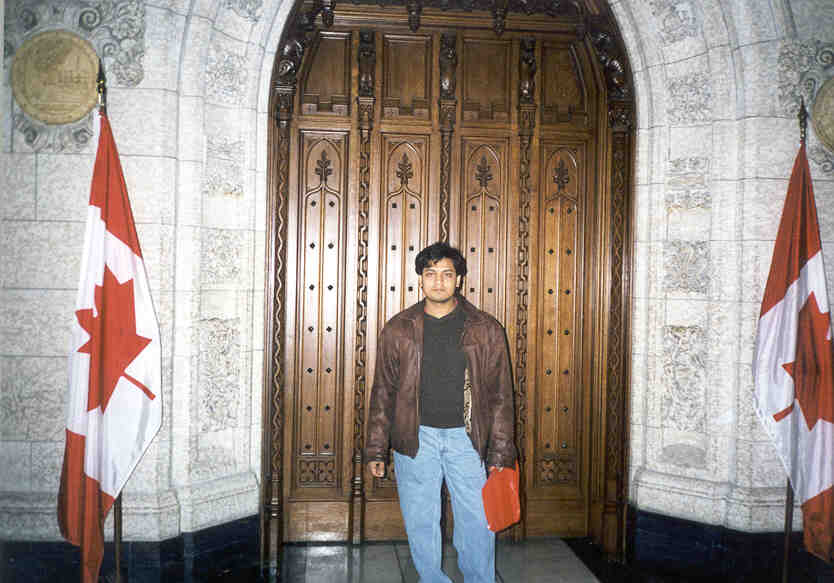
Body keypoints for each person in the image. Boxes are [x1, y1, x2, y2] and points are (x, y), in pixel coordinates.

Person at [365, 241, 516, 583]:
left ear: (459, 279)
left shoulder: (486, 329)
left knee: (477, 522)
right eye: (430, 273)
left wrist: (500, 452)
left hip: (468, 440)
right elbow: (383, 392)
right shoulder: (398, 329)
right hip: (416, 439)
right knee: (421, 521)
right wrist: (376, 448)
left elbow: (501, 396)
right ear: (420, 278)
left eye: (447, 274)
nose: (438, 281)